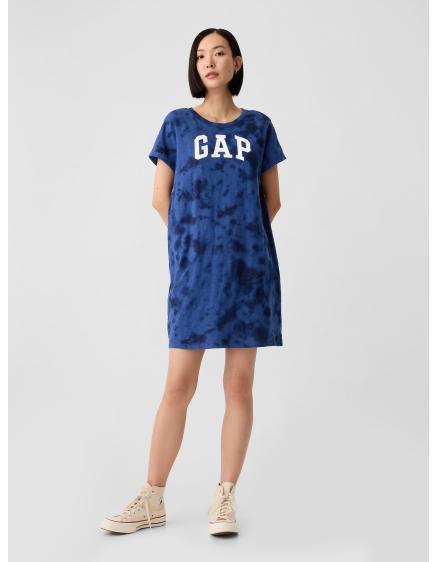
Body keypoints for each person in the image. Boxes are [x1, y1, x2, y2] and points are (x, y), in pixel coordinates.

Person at [100, 27, 286, 537]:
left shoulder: (259, 126)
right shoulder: (177, 124)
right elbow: (160, 198)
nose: (210, 61)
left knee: (238, 386)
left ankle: (224, 497)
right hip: (194, 275)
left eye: (219, 53)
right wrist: (193, 246)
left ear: (236, 62)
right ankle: (152, 497)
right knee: (178, 386)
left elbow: (272, 200)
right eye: (201, 54)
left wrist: (239, 245)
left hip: (248, 276)